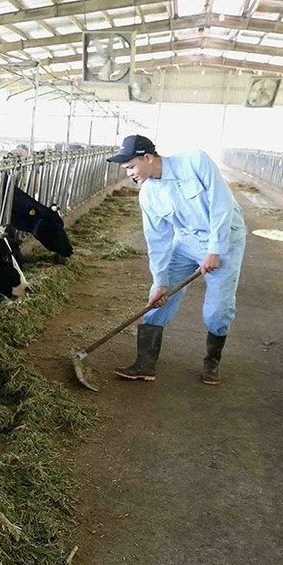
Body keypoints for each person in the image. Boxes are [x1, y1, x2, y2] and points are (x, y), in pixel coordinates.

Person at [106, 134, 245, 385]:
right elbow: (157, 241)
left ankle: (212, 361)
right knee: (158, 297)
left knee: (217, 309)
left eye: (131, 167)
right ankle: (145, 363)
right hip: (186, 242)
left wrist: (215, 249)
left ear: (148, 158)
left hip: (225, 239)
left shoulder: (195, 162)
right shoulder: (148, 195)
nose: (129, 174)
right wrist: (160, 281)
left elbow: (221, 204)